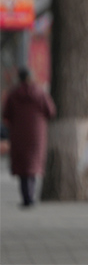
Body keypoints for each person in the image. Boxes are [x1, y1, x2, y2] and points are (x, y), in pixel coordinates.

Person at [2, 67, 56, 208]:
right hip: (37, 133)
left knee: (22, 166)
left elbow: (6, 114)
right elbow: (51, 111)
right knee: (33, 164)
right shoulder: (40, 93)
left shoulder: (13, 95)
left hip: (19, 134)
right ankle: (31, 195)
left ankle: (26, 197)